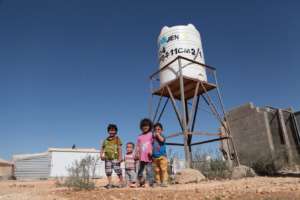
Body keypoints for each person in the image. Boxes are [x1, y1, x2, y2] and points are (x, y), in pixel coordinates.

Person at [100, 124, 124, 189]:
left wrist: (120, 157)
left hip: (115, 158)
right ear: (108, 131)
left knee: (118, 170)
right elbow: (102, 148)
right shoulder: (105, 140)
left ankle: (121, 181)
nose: (112, 132)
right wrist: (101, 155)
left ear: (116, 131)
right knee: (108, 171)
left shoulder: (117, 139)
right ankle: (110, 183)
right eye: (110, 130)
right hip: (107, 158)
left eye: (113, 130)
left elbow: (119, 148)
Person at [135, 118, 154, 187]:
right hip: (141, 156)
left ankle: (149, 182)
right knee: (140, 170)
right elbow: (137, 146)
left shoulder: (151, 134)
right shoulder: (140, 136)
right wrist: (136, 153)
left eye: (147, 125)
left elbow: (154, 144)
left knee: (149, 170)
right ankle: (140, 181)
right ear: (141, 127)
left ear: (150, 126)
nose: (145, 127)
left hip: (149, 156)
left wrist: (152, 151)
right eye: (143, 126)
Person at [152, 123, 168, 187]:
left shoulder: (162, 136)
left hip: (162, 156)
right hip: (155, 157)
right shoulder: (153, 138)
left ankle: (164, 181)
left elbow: (162, 140)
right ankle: (158, 181)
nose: (157, 130)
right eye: (155, 129)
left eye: (159, 129)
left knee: (163, 169)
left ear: (161, 130)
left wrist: (158, 135)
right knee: (157, 170)